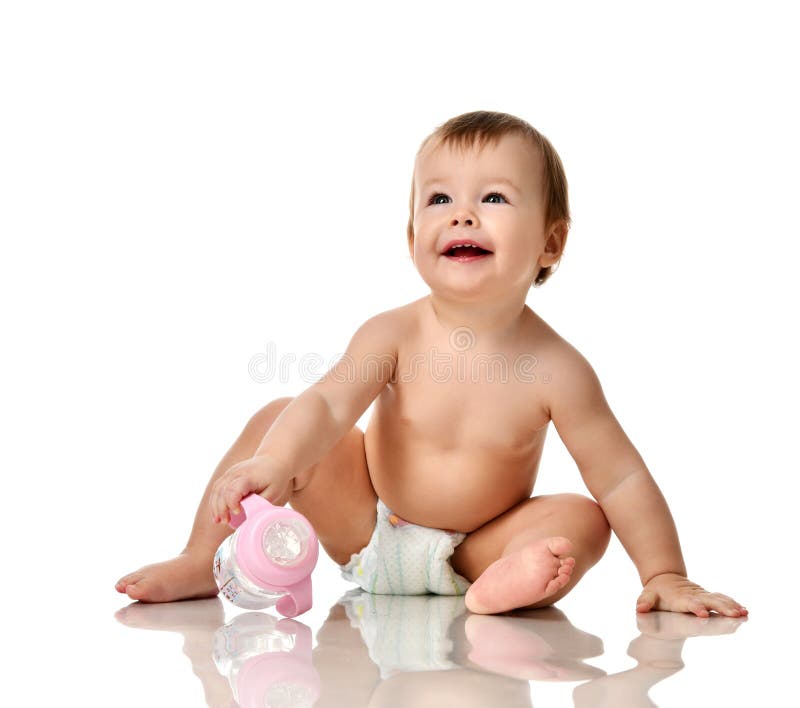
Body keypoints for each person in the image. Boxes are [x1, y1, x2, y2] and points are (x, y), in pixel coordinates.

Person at [116, 110, 747, 617]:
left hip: (478, 548)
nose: (461, 214)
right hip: (367, 526)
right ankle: (202, 558)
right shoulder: (393, 332)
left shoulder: (559, 369)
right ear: (412, 235)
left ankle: (497, 591)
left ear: (551, 242)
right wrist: (279, 463)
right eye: (439, 197)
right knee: (279, 418)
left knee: (584, 517)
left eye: (495, 197)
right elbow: (330, 406)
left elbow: (621, 480)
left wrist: (666, 573)